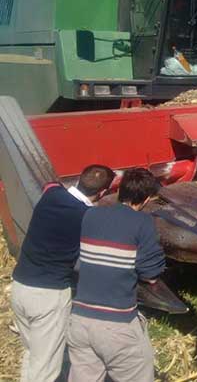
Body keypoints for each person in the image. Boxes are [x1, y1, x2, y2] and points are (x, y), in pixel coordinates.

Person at [10, 164, 115, 382]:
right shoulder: (88, 217)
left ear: (78, 178)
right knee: (45, 369)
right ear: (103, 192)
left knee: (33, 354)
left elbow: (50, 183)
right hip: (49, 296)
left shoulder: (51, 194)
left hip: (20, 287)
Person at [67, 168, 165, 382]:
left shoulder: (90, 214)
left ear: (119, 190)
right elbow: (150, 274)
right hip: (117, 324)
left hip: (79, 320)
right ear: (146, 198)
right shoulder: (143, 223)